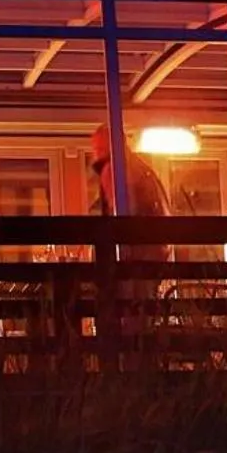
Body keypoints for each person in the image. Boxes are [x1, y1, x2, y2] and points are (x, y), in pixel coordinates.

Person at [89, 126, 174, 341]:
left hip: (135, 262)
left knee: (129, 324)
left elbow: (123, 216)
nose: (94, 151)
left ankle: (129, 365)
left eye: (98, 146)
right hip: (147, 260)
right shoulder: (140, 170)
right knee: (139, 321)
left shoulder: (118, 170)